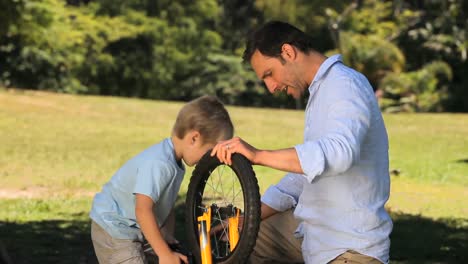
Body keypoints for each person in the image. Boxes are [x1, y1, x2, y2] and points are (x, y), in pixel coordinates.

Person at [211, 21, 393, 264]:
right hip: (313, 232)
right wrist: (250, 219)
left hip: (349, 248)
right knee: (235, 240)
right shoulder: (321, 91)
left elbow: (340, 153)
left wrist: (258, 155)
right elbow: (305, 175)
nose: (271, 87)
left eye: (269, 74)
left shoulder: (345, 85)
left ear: (288, 52)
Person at [90, 95, 234, 264]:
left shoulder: (176, 162)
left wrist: (166, 234)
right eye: (210, 151)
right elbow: (143, 210)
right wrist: (164, 254)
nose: (210, 158)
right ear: (194, 138)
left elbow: (166, 204)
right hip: (115, 227)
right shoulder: (160, 164)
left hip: (134, 226)